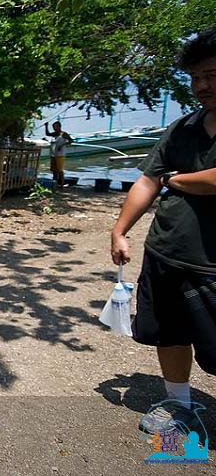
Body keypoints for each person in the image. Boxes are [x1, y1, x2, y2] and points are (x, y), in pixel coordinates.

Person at [110, 28, 216, 435]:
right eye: (195, 78)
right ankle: (179, 401)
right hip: (167, 251)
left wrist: (179, 179)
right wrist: (120, 229)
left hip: (212, 263)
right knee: (169, 333)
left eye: (211, 74)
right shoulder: (183, 128)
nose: (202, 86)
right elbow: (148, 181)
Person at [44, 120, 73, 187]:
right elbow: (47, 134)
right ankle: (55, 184)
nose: (54, 128)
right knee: (54, 170)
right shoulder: (54, 133)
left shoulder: (63, 134)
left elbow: (71, 141)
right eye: (53, 127)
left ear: (59, 126)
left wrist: (62, 145)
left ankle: (62, 185)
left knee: (60, 170)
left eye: (56, 126)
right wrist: (46, 126)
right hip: (53, 154)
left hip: (60, 155)